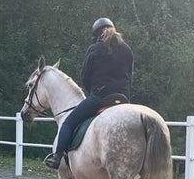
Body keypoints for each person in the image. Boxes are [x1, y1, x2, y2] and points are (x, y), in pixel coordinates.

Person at [45, 18, 134, 171]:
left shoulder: (94, 49)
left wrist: (92, 92)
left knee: (68, 123)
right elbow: (130, 76)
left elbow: (85, 76)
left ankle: (57, 156)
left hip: (100, 97)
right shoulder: (127, 49)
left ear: (96, 33)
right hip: (123, 98)